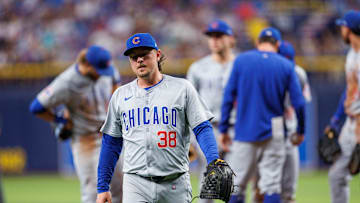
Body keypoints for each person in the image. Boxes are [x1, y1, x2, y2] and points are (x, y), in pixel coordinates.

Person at [96, 33, 223, 203]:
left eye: (144, 54)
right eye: (134, 57)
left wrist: (213, 159)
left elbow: (202, 127)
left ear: (157, 55)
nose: (139, 60)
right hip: (136, 183)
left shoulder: (182, 88)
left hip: (175, 182)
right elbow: (111, 143)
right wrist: (102, 187)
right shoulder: (120, 95)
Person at [219, 27, 306, 203]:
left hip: (244, 129)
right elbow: (300, 103)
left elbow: (228, 97)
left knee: (237, 185)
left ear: (258, 43)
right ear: (278, 44)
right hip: (275, 130)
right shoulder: (286, 65)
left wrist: (224, 129)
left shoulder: (241, 61)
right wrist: (301, 130)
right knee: (271, 185)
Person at [29, 45, 123, 203]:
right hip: (86, 140)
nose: (102, 74)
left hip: (110, 135)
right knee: (92, 192)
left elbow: (115, 84)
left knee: (120, 187)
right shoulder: (66, 82)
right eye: (98, 70)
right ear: (86, 65)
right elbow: (37, 106)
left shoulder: (107, 68)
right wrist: (60, 120)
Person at [186, 19, 236, 203]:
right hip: (209, 129)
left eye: (219, 36)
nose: (214, 40)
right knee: (210, 181)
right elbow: (189, 104)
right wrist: (190, 138)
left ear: (230, 38)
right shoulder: (198, 68)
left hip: (236, 129)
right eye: (211, 36)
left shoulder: (241, 64)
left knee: (236, 184)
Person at [328, 10, 360, 203]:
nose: (341, 30)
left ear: (349, 29)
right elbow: (349, 91)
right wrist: (335, 121)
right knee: (337, 176)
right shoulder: (351, 55)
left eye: (343, 27)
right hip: (351, 123)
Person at [278, 41, 312, 203]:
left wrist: (299, 131)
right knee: (264, 187)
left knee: (289, 190)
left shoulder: (299, 74)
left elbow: (301, 104)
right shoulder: (266, 71)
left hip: (290, 133)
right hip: (269, 135)